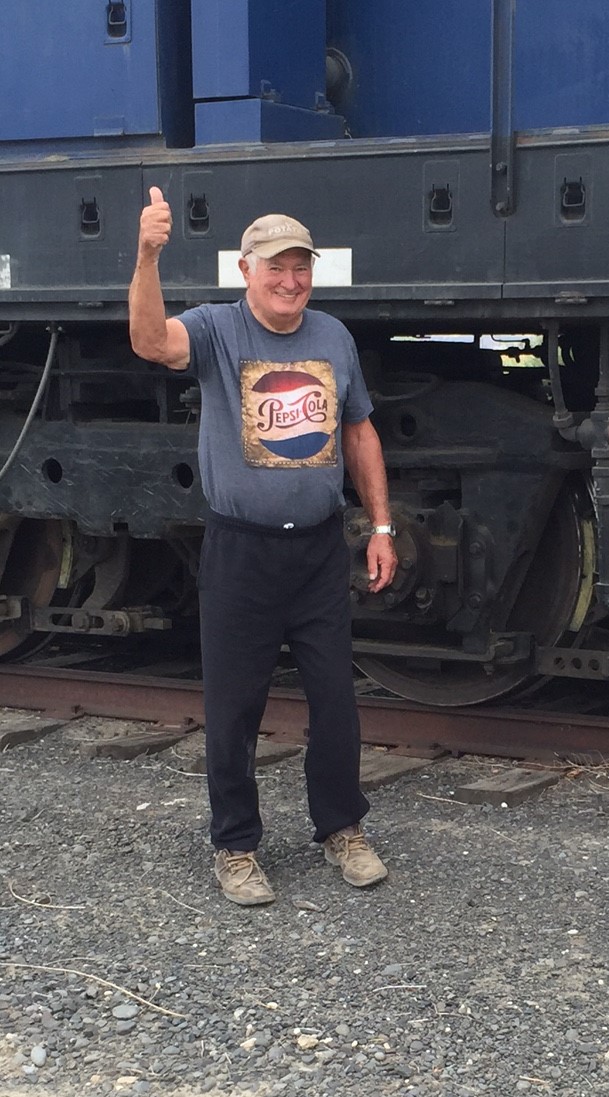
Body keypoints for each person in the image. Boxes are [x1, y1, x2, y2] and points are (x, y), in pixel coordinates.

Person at [129, 188, 397, 905]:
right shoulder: (217, 330)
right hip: (241, 550)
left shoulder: (333, 338)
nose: (289, 280)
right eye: (275, 267)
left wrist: (380, 525)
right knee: (234, 704)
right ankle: (236, 845)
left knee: (336, 698)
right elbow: (151, 343)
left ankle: (342, 827)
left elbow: (359, 432)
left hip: (316, 550)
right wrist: (148, 255)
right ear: (246, 270)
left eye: (300, 267)